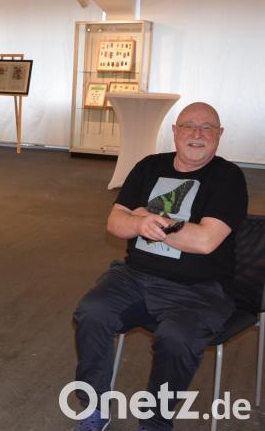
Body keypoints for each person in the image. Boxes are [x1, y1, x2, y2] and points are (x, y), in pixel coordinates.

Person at [72, 102, 248, 431]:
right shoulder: (149, 167)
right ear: (175, 132)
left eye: (207, 127)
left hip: (199, 288)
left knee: (177, 337)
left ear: (219, 135)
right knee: (92, 311)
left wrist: (146, 218)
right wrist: (137, 224)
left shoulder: (228, 178)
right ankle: (94, 405)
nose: (197, 134)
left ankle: (155, 420)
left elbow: (206, 241)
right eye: (188, 126)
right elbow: (115, 223)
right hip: (134, 275)